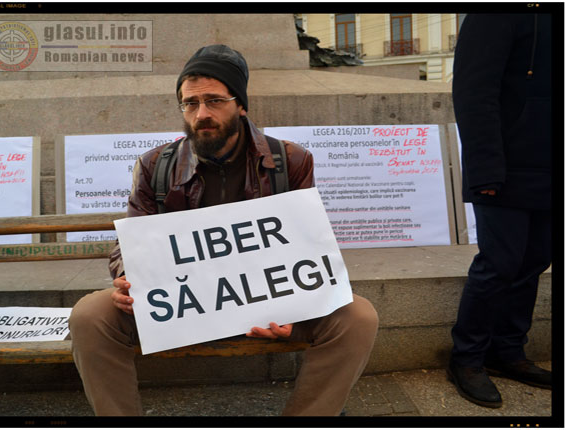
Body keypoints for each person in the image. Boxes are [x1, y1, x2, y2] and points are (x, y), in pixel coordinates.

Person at [68, 44, 379, 416]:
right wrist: (127, 278)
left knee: (358, 317)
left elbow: (307, 245)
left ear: (240, 104)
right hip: (183, 306)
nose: (201, 114)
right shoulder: (156, 165)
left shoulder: (289, 161)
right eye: (190, 103)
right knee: (90, 315)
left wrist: (294, 309)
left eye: (214, 101)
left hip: (269, 307)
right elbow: (130, 242)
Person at [449, 14, 552, 408]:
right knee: (500, 263)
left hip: (549, 164)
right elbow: (474, 92)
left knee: (535, 260)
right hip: (503, 167)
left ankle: (509, 352)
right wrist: (486, 168)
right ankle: (467, 358)